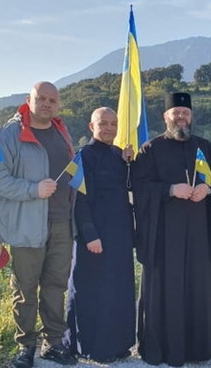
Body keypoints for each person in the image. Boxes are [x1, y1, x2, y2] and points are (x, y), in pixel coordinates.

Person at [0, 81, 77, 367]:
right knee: (25, 289)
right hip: (27, 224)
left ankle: (53, 342)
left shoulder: (61, 131)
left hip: (62, 222)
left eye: (52, 100)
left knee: (55, 285)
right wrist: (33, 190)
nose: (47, 104)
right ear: (29, 99)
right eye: (41, 98)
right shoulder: (8, 134)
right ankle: (25, 347)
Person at [132, 92, 211, 366]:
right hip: (163, 237)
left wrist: (208, 188)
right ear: (166, 116)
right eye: (176, 113)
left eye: (185, 112)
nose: (181, 117)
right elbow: (138, 187)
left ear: (191, 116)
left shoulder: (205, 148)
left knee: (198, 289)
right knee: (165, 291)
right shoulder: (150, 149)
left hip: (198, 235)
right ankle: (162, 349)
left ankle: (198, 348)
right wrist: (171, 189)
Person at [66, 107, 136, 363]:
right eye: (103, 123)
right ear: (91, 126)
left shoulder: (120, 155)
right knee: (90, 291)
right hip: (93, 237)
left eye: (113, 124)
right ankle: (90, 346)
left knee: (117, 290)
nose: (108, 128)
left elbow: (128, 191)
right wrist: (90, 235)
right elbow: (79, 201)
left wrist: (130, 163)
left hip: (119, 236)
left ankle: (118, 343)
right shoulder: (83, 157)